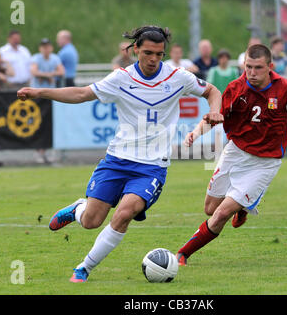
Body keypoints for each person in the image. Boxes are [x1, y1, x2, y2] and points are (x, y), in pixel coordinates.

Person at [17, 25, 223, 282]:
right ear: (135, 49)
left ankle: (83, 268)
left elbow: (212, 91)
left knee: (124, 213)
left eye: (159, 54)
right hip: (117, 160)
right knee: (92, 220)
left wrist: (214, 111)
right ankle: (78, 209)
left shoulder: (178, 76)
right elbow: (81, 93)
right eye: (148, 52)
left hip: (151, 167)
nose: (153, 59)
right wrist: (39, 92)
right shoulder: (121, 78)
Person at [175, 44, 287, 266]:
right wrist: (196, 133)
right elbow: (215, 117)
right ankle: (245, 206)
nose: (252, 73)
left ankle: (182, 254)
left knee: (222, 213)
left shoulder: (285, 88)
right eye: (248, 67)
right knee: (210, 208)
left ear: (270, 67)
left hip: (266, 163)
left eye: (257, 68)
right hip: (235, 153)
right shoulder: (235, 88)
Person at [30, 38, 65, 164]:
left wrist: (43, 74)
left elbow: (62, 71)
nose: (46, 49)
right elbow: (33, 71)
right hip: (38, 97)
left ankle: (50, 152)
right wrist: (49, 75)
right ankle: (39, 152)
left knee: (51, 124)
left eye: (47, 46)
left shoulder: (55, 58)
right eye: (43, 46)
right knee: (38, 124)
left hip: (51, 96)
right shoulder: (36, 58)